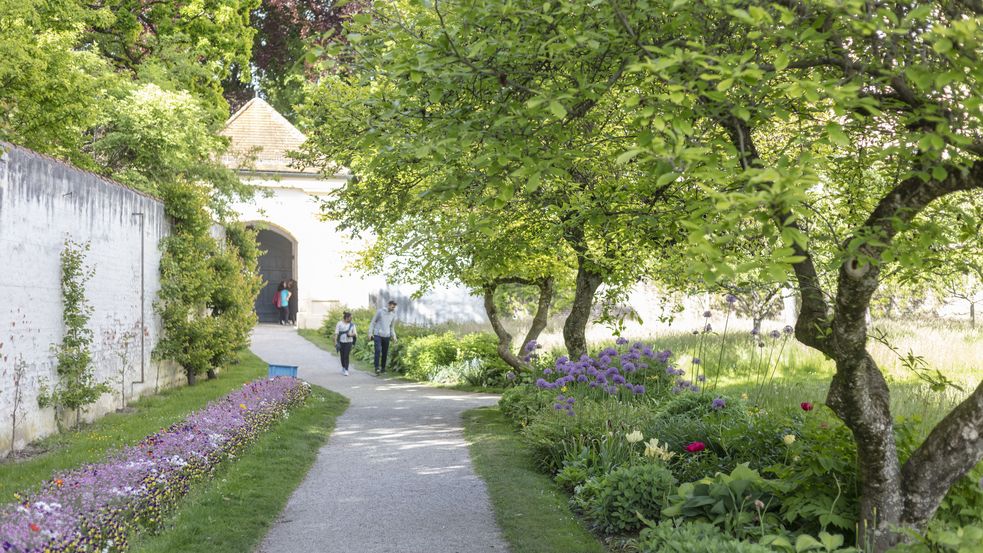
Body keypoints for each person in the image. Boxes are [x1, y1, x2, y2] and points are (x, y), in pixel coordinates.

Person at [369, 300, 398, 374]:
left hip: (386, 336)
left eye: (394, 307)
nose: (393, 308)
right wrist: (370, 333)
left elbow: (392, 327)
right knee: (378, 350)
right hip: (377, 334)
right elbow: (372, 322)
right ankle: (376, 368)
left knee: (385, 352)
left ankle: (383, 368)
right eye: (392, 306)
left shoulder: (393, 315)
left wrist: (394, 336)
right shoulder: (380, 312)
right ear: (388, 305)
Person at [334, 311, 357, 376]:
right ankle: (343, 367)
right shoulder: (339, 323)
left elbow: (355, 333)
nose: (351, 319)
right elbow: (336, 333)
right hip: (341, 342)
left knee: (346, 355)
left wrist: (350, 334)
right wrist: (335, 342)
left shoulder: (352, 325)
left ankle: (346, 369)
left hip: (349, 342)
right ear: (346, 318)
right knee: (342, 355)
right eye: (350, 318)